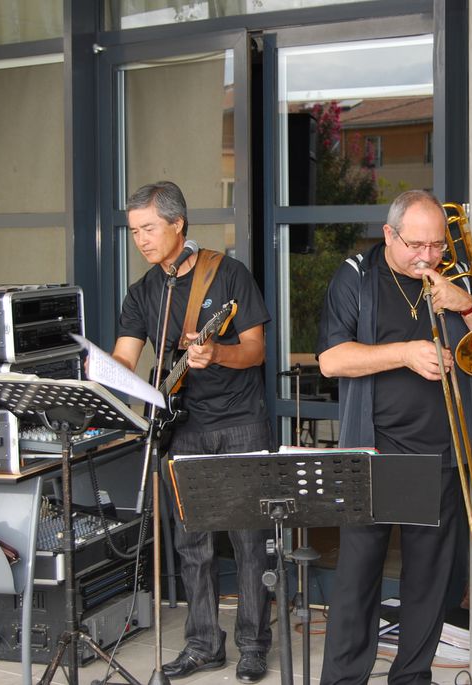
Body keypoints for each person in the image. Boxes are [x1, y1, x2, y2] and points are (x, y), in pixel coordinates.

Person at [315, 189, 472, 685]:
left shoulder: (455, 276)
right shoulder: (356, 276)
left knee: (429, 583)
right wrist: (405, 352)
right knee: (356, 583)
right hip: (374, 453)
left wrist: (466, 304)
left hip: (440, 453)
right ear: (390, 235)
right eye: (417, 245)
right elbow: (331, 360)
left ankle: (412, 677)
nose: (428, 256)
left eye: (437, 246)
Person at [111, 181, 273, 683]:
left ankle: (252, 645)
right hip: (184, 426)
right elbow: (125, 356)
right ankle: (203, 643)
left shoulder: (227, 276)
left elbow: (256, 349)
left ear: (178, 224)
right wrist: (105, 374)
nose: (140, 239)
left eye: (149, 228)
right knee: (192, 543)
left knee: (249, 538)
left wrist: (216, 352)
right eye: (134, 230)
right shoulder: (142, 292)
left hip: (241, 422)